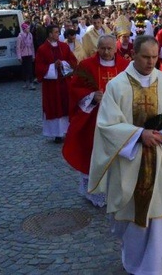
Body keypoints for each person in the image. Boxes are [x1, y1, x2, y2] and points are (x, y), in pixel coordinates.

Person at [88, 36, 162, 275]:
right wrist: (138, 135)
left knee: (160, 215)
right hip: (130, 162)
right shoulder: (117, 86)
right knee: (132, 216)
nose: (151, 62)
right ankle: (133, 263)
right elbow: (106, 125)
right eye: (146, 57)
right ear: (133, 54)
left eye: (154, 57)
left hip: (160, 160)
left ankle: (156, 265)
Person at [63, 34, 129, 207]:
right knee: (92, 152)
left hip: (118, 118)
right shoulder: (86, 66)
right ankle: (94, 191)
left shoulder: (125, 66)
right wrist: (92, 96)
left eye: (109, 48)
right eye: (102, 48)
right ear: (97, 48)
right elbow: (75, 89)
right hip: (93, 119)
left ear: (116, 48)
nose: (106, 52)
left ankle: (115, 189)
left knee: (116, 153)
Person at [34, 25, 78, 143]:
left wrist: (63, 64)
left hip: (65, 82)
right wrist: (53, 66)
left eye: (58, 32)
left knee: (67, 105)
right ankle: (57, 133)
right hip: (51, 85)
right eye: (55, 32)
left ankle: (68, 131)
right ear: (49, 34)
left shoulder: (64, 47)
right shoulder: (42, 49)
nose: (58, 34)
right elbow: (39, 68)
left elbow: (73, 61)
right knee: (54, 106)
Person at [16, 22, 36, 90]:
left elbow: (32, 46)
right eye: (28, 28)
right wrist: (19, 57)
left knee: (30, 69)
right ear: (24, 29)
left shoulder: (30, 35)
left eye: (29, 28)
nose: (29, 29)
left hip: (29, 54)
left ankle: (31, 83)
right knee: (24, 70)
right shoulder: (20, 36)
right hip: (23, 55)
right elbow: (18, 47)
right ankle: (25, 82)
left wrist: (33, 55)